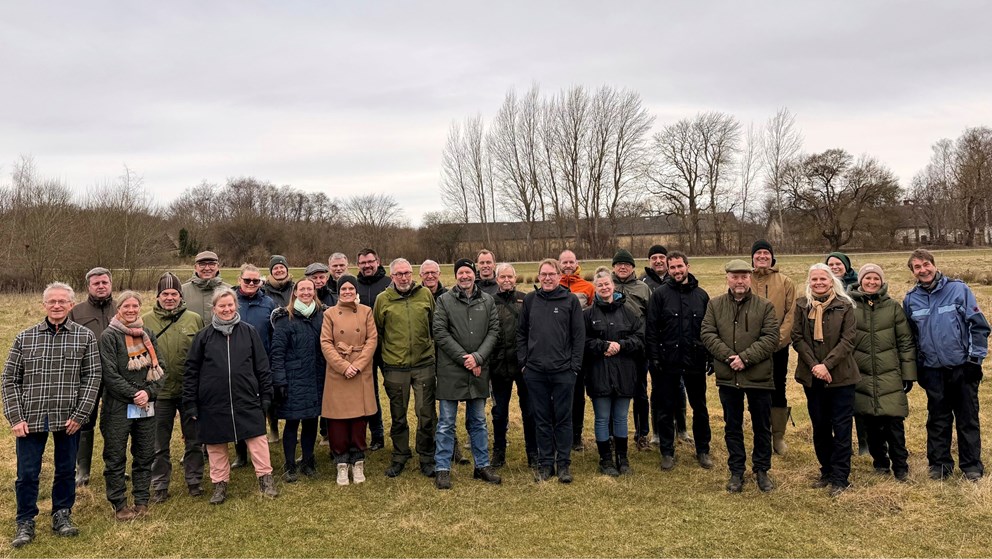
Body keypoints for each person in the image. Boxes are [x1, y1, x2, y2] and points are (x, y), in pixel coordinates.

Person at [3, 282, 101, 548]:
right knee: (27, 473)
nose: (57, 306)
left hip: (68, 417)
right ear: (44, 305)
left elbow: (92, 377)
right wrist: (16, 417)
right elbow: (10, 380)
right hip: (31, 418)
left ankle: (62, 514)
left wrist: (81, 414)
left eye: (62, 301)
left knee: (66, 470)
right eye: (52, 301)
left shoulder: (85, 337)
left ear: (71, 305)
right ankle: (25, 520)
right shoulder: (25, 337)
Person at [183, 289, 278, 504]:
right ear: (214, 309)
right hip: (212, 402)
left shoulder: (249, 332)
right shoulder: (203, 337)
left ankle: (265, 478)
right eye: (222, 306)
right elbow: (191, 372)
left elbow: (262, 367)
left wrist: (265, 395)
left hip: (247, 398)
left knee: (257, 439)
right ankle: (220, 484)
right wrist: (190, 403)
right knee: (216, 445)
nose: (226, 309)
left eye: (230, 305)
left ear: (236, 306)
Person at [904, 248, 990, 481]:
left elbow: (979, 326)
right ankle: (940, 465)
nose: (923, 270)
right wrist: (916, 368)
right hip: (932, 371)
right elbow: (911, 338)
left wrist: (975, 360)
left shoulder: (959, 290)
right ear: (913, 272)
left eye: (925, 265)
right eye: (917, 267)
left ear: (934, 264)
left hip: (962, 367)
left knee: (967, 418)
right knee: (937, 419)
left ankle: (971, 465)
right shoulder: (911, 300)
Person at [700, 260, 780, 493]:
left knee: (761, 425)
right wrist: (728, 357)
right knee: (732, 426)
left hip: (758, 376)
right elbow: (707, 333)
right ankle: (736, 470)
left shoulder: (765, 306)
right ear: (727, 278)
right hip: (728, 377)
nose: (739, 281)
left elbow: (770, 337)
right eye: (735, 276)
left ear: (750, 279)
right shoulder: (715, 305)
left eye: (744, 276)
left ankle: (762, 469)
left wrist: (745, 358)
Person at [433, 258, 502, 489]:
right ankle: (442, 468)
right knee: (446, 423)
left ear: (475, 275)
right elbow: (440, 333)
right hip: (451, 371)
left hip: (478, 371)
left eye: (468, 272)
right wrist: (466, 359)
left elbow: (494, 331)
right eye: (460, 272)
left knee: (479, 422)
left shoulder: (488, 300)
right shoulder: (444, 301)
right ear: (456, 276)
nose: (465, 276)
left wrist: (478, 358)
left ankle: (481, 465)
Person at [793, 263, 860, 496]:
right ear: (809, 282)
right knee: (820, 426)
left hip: (841, 377)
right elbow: (797, 338)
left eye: (823, 279)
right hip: (813, 378)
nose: (819, 283)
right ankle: (827, 471)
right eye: (814, 280)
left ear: (832, 281)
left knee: (841, 428)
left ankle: (841, 477)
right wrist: (815, 366)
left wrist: (827, 365)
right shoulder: (802, 306)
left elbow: (848, 340)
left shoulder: (846, 306)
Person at [99, 291, 165, 521]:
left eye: (135, 306)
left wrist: (148, 393)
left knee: (145, 454)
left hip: (145, 407)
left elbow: (161, 368)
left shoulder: (148, 334)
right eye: (126, 306)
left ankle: (141, 499)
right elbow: (109, 374)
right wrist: (134, 394)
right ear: (118, 309)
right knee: (115, 456)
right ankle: (119, 504)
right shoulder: (109, 337)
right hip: (117, 407)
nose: (131, 310)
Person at [518, 258, 584, 483]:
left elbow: (578, 337)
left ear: (559, 276)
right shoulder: (530, 300)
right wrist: (524, 363)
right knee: (542, 418)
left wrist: (574, 368)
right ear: (539, 275)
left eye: (551, 274)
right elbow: (521, 334)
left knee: (563, 419)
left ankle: (563, 464)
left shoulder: (570, 301)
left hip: (563, 372)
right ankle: (546, 464)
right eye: (543, 274)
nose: (547, 278)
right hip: (535, 372)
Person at [645, 251, 712, 471]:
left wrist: (709, 356)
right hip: (668, 361)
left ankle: (703, 449)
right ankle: (666, 451)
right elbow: (652, 329)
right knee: (665, 408)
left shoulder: (701, 296)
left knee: (699, 407)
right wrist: (654, 356)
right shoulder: (660, 295)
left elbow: (709, 330)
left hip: (694, 360)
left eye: (679, 266)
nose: (676, 271)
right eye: (671, 267)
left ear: (687, 266)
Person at [849, 263, 916, 481]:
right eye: (867, 278)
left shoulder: (893, 307)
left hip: (890, 374)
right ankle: (880, 463)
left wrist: (907, 374)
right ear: (860, 281)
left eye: (876, 279)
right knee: (870, 423)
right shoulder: (850, 307)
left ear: (881, 281)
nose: (871, 282)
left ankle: (901, 466)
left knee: (894, 423)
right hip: (862, 374)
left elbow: (905, 342)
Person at [374, 257, 438, 478]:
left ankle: (427, 457)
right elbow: (378, 333)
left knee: (426, 414)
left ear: (413, 274)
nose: (404, 277)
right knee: (398, 415)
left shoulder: (425, 295)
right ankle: (400, 455)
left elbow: (434, 327)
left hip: (424, 365)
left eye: (407, 273)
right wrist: (387, 361)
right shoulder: (383, 300)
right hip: (395, 366)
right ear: (392, 276)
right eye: (399, 274)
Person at [146, 272, 206, 502]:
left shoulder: (194, 319)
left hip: (189, 390)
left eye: (174, 294)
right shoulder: (146, 321)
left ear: (181, 296)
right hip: (159, 393)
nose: (169, 298)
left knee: (194, 439)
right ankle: (160, 484)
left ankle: (194, 480)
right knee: (159, 442)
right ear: (158, 296)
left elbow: (202, 353)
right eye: (165, 294)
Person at [584, 270, 644, 477]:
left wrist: (622, 345)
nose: (604, 288)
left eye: (607, 284)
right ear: (595, 288)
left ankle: (623, 457)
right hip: (599, 373)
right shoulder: (588, 315)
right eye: (600, 285)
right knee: (602, 418)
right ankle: (605, 459)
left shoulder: (629, 312)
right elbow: (583, 342)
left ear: (613, 285)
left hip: (624, 373)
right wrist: (602, 346)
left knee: (620, 417)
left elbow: (640, 338)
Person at [321, 275, 378, 485]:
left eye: (350, 288)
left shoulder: (366, 311)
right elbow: (326, 342)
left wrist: (358, 364)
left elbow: (372, 340)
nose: (347, 291)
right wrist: (344, 366)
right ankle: (341, 463)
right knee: (337, 420)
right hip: (338, 371)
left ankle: (358, 461)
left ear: (356, 290)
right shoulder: (329, 314)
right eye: (343, 288)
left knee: (358, 419)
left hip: (360, 371)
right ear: (338, 291)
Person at [270, 279, 326, 482]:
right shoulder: (285, 319)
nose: (305, 292)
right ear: (295, 292)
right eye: (301, 289)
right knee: (292, 423)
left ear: (314, 292)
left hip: (317, 377)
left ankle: (309, 461)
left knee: (311, 421)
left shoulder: (322, 316)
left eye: (309, 289)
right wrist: (280, 380)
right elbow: (277, 353)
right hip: (294, 379)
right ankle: (290, 464)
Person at [67, 267, 115, 487]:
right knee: (85, 422)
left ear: (111, 284)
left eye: (104, 282)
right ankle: (82, 470)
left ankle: (114, 467)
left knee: (115, 423)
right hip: (87, 377)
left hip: (116, 376)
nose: (101, 286)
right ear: (89, 287)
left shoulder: (122, 307)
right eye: (96, 283)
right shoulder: (76, 312)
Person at [640, 245, 689, 449]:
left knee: (680, 387)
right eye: (654, 257)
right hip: (655, 346)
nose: (658, 260)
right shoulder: (643, 282)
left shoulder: (678, 279)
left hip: (677, 346)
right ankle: (657, 431)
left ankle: (682, 428)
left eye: (662, 257)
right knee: (658, 390)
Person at [750, 240, 796, 456]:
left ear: (772, 257)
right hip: (749, 348)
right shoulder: (744, 279)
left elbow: (791, 314)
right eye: (758, 253)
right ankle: (760, 433)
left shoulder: (785, 282)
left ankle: (777, 436)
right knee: (754, 390)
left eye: (765, 253)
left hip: (777, 347)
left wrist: (776, 341)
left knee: (778, 387)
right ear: (752, 257)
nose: (762, 256)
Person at [490, 263, 536, 468]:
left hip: (524, 365)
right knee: (499, 413)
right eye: (502, 277)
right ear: (496, 279)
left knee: (530, 411)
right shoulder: (489, 301)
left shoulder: (526, 299)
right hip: (499, 365)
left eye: (510, 276)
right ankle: (498, 453)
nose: (507, 280)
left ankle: (533, 453)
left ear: (515, 277)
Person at [611, 249, 654, 451]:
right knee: (612, 392)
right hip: (612, 349)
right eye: (619, 264)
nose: (622, 267)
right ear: (614, 267)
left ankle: (642, 434)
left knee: (640, 393)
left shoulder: (643, 289)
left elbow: (651, 318)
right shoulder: (606, 286)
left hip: (637, 349)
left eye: (626, 264)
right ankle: (611, 435)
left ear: (632, 267)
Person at [827, 251, 868, 456]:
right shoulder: (825, 288)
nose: (835, 267)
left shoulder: (859, 286)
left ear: (847, 266)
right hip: (834, 349)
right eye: (831, 264)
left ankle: (864, 442)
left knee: (858, 397)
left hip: (857, 345)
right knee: (836, 400)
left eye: (838, 264)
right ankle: (842, 442)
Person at [235, 264, 279, 458]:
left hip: (261, 364)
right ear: (240, 281)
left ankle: (258, 450)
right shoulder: (230, 301)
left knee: (259, 408)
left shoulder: (268, 303)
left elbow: (274, 334)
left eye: (256, 281)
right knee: (237, 407)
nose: (252, 284)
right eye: (247, 280)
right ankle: (240, 453)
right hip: (236, 365)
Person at [558, 250, 595, 451]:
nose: (568, 265)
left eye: (571, 261)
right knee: (561, 393)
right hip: (558, 349)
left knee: (578, 392)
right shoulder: (554, 285)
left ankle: (577, 435)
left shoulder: (588, 287)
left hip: (580, 349)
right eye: (564, 262)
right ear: (559, 264)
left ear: (577, 263)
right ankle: (560, 431)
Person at [357, 248, 392, 450]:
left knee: (394, 391)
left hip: (387, 348)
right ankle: (377, 435)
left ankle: (398, 432)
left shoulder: (388, 283)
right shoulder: (355, 285)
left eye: (370, 261)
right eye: (363, 262)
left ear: (378, 261)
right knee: (370, 394)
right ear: (358, 264)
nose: (367, 265)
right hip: (364, 350)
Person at [182, 250, 231, 319]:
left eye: (211, 264)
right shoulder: (182, 291)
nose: (207, 268)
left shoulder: (230, 290)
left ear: (218, 267)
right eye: (202, 264)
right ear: (195, 267)